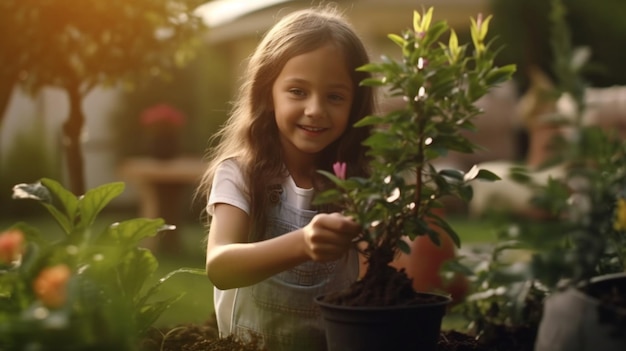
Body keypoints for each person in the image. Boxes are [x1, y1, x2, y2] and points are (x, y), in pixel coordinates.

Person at [196, 6, 375, 351]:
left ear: (355, 105)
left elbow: (376, 280)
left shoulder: (360, 183)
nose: (315, 109)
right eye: (297, 91)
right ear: (268, 93)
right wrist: (302, 244)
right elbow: (220, 267)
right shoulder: (241, 174)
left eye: (335, 96)